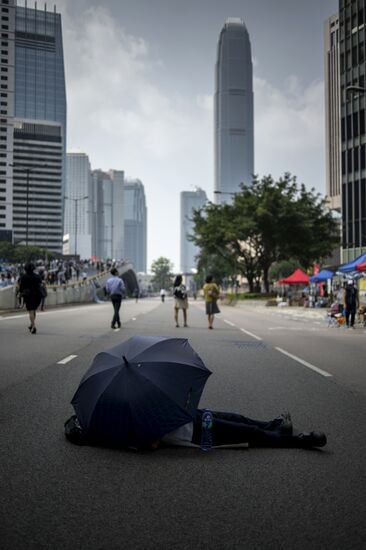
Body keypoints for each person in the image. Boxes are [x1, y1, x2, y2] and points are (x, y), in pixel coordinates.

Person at [157, 409, 327, 450]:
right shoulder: (131, 423)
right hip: (192, 432)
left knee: (236, 418)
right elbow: (150, 444)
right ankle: (300, 441)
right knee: (246, 432)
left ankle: (273, 426)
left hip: (188, 414)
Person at [18, 262, 43, 334]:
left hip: (28, 295)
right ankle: (31, 324)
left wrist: (20, 293)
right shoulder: (37, 276)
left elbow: (21, 287)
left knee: (31, 311)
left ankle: (34, 326)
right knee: (34, 310)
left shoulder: (24, 276)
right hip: (37, 295)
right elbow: (40, 284)